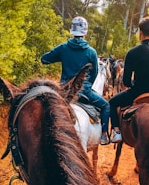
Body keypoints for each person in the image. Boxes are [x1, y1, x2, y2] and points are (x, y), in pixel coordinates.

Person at [41, 16, 110, 145]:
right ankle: (104, 135)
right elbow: (94, 73)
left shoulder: (63, 48)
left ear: (72, 31)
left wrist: (59, 56)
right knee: (106, 106)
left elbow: (44, 59)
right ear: (85, 32)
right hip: (85, 92)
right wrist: (87, 85)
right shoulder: (91, 52)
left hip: (64, 92)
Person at [109, 16, 149, 143]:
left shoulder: (133, 53)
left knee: (112, 102)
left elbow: (126, 81)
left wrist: (133, 84)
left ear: (140, 32)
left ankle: (116, 132)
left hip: (138, 92)